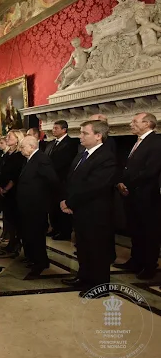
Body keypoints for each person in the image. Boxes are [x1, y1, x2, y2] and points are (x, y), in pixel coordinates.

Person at [60, 120, 116, 296]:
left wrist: (71, 202)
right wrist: (66, 199)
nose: (80, 136)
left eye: (85, 133)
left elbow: (95, 186)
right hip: (81, 210)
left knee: (97, 249)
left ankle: (99, 287)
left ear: (98, 136)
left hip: (96, 212)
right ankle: (83, 278)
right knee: (83, 246)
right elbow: (72, 179)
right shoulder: (82, 153)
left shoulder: (106, 157)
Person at [115, 113, 161, 280]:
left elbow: (150, 171)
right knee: (135, 229)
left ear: (147, 123)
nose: (131, 124)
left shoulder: (156, 142)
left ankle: (149, 266)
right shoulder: (138, 141)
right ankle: (135, 261)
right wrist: (120, 182)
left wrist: (129, 185)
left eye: (135, 121)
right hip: (132, 194)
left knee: (149, 232)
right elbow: (128, 167)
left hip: (147, 196)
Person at [17, 136, 59, 276]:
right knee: (29, 234)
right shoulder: (29, 159)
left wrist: (43, 198)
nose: (21, 149)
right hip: (28, 205)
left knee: (36, 235)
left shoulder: (42, 159)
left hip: (36, 205)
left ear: (32, 146)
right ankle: (35, 259)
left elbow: (52, 180)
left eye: (22, 147)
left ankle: (39, 263)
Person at [45, 120, 79, 241]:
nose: (53, 130)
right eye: (53, 128)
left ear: (64, 130)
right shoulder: (51, 143)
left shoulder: (70, 144)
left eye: (56, 128)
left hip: (62, 181)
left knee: (62, 207)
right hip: (51, 181)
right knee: (52, 207)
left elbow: (65, 163)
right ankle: (55, 228)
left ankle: (64, 231)